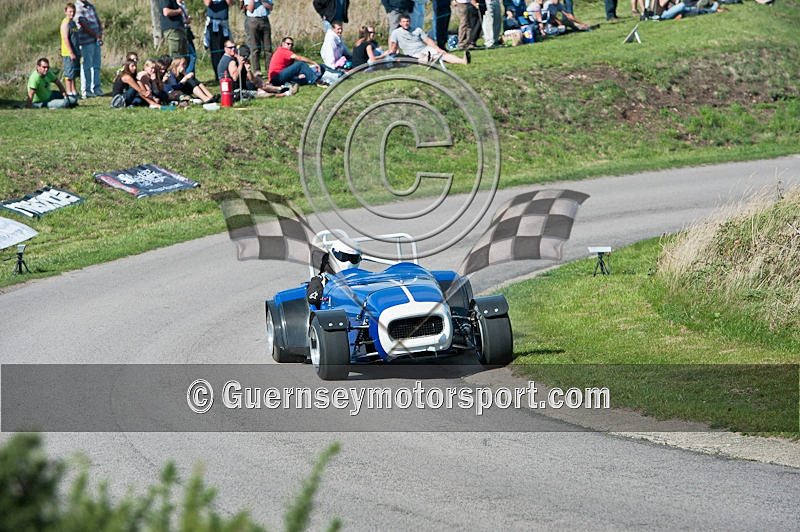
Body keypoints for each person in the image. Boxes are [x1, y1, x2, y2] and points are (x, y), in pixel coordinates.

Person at [389, 13, 470, 65]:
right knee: (422, 57)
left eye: (407, 21)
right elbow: (393, 45)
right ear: (400, 23)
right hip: (412, 53)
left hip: (424, 48)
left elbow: (427, 40)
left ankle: (463, 61)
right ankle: (429, 59)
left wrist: (438, 49)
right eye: (404, 22)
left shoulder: (417, 30)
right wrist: (393, 53)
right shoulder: (396, 33)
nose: (406, 23)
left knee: (442, 54)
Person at [219, 41, 293, 97]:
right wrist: (241, 65)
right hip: (234, 91)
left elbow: (251, 78)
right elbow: (234, 78)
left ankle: (279, 89)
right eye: (230, 48)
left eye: (234, 47)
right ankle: (283, 93)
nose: (233, 49)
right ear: (225, 49)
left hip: (235, 87)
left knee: (257, 81)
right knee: (260, 91)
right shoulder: (231, 61)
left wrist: (248, 69)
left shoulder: (228, 59)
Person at [74, 0, 103, 98]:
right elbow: (83, 24)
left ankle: (96, 88)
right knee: (87, 66)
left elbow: (97, 20)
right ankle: (86, 90)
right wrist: (95, 35)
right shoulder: (78, 7)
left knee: (96, 65)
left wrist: (99, 33)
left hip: (96, 40)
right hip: (86, 42)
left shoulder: (90, 6)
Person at [203, 0, 234, 82]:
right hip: (213, 23)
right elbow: (207, 3)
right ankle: (218, 74)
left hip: (224, 23)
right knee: (216, 51)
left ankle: (227, 71)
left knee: (226, 49)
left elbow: (231, 3)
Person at [244, 0, 273, 76]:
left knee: (268, 47)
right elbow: (250, 9)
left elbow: (270, 7)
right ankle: (257, 70)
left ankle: (270, 69)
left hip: (265, 19)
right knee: (255, 48)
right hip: (253, 20)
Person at [60, 3, 81, 101]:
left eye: (73, 11)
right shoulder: (65, 23)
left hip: (76, 51)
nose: (72, 13)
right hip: (68, 53)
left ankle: (74, 91)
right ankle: (69, 92)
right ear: (65, 12)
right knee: (69, 73)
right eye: (70, 11)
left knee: (74, 73)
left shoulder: (73, 23)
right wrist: (71, 52)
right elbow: (66, 39)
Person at [177, 0, 197, 73]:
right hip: (181, 32)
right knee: (191, 56)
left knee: (192, 54)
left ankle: (191, 74)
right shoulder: (176, 5)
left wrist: (188, 18)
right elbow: (177, 22)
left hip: (187, 31)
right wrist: (186, 21)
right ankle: (187, 74)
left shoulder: (183, 4)